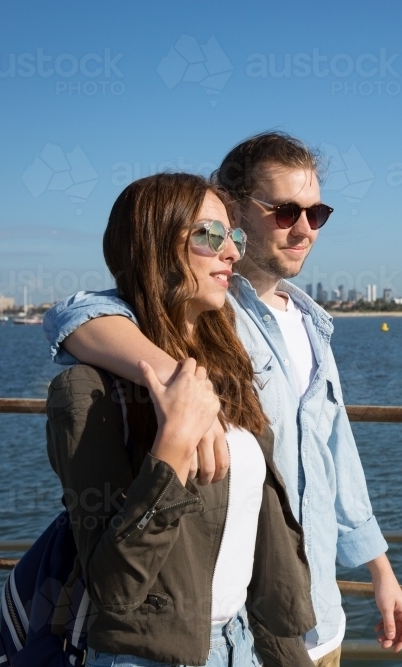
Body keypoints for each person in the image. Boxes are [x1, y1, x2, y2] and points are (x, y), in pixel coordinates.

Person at [43, 132, 402, 667]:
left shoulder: (306, 326)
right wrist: (181, 389)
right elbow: (71, 313)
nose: (305, 228)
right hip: (203, 634)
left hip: (301, 617)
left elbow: (336, 457)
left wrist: (380, 570)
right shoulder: (210, 316)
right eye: (286, 212)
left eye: (317, 213)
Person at [46, 173, 315, 667]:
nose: (232, 253)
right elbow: (113, 586)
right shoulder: (90, 392)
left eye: (233, 236)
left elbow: (261, 547)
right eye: (210, 236)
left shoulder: (227, 368)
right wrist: (170, 448)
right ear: (153, 246)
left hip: (247, 644)